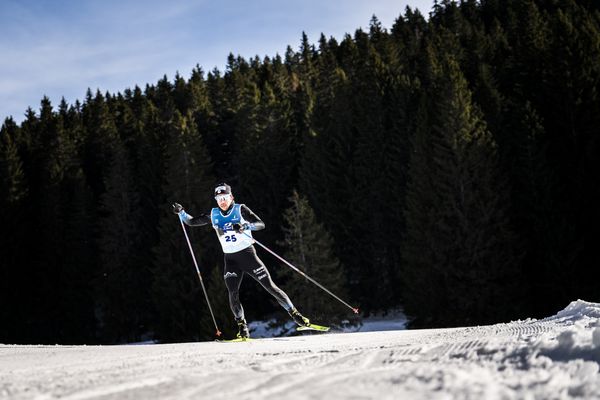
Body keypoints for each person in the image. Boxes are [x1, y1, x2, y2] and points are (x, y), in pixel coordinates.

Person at [172, 183, 310, 339]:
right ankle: (243, 328)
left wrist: (245, 226)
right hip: (230, 260)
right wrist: (181, 213)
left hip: (248, 256)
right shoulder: (213, 214)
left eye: (224, 198)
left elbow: (261, 224)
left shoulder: (241, 209)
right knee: (233, 293)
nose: (222, 201)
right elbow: (191, 222)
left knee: (270, 287)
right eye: (218, 199)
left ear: (231, 197)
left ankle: (295, 314)